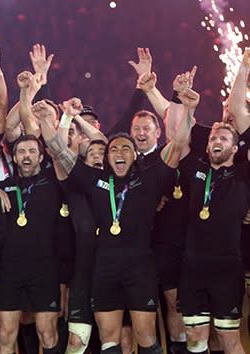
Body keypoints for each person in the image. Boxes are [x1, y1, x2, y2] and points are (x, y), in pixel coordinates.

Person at [33, 89, 191, 353]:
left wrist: (190, 110)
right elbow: (59, 152)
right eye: (114, 148)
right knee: (109, 341)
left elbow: (179, 143)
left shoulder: (149, 179)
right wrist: (46, 123)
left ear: (134, 155)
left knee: (146, 339)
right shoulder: (95, 181)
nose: (119, 152)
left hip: (140, 270)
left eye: (126, 148)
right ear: (107, 157)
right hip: (104, 270)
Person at [175, 49, 250, 354]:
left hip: (227, 267)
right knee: (195, 339)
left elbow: (236, 108)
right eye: (213, 138)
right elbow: (177, 137)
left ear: (236, 148)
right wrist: (185, 105)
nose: (216, 141)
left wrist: (244, 66)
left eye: (223, 139)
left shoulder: (244, 171)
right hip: (192, 266)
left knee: (230, 339)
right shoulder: (196, 168)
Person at [0, 135, 62, 354]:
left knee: (47, 333)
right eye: (21, 152)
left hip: (44, 268)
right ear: (13, 157)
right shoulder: (2, 188)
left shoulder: (53, 182)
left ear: (41, 157)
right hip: (9, 269)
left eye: (32, 151)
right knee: (5, 334)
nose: (27, 156)